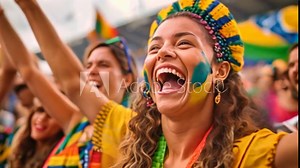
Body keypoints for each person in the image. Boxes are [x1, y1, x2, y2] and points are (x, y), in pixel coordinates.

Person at [114, 0, 298, 167]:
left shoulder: (255, 155)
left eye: (184, 43)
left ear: (220, 71)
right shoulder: (134, 158)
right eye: (154, 47)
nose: (163, 52)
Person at [13, 0, 137, 167]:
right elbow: (28, 72)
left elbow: (71, 79)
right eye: (88, 65)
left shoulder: (132, 126)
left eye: (103, 65)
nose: (91, 71)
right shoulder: (76, 121)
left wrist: (30, 7)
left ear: (126, 79)